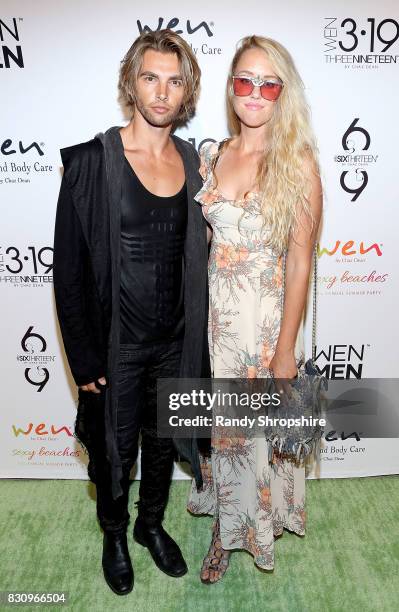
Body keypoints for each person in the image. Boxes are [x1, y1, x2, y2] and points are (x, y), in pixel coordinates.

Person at [53, 30, 209, 596]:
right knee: (114, 449)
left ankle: (150, 526)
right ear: (131, 83)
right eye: (151, 78)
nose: (162, 92)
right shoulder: (92, 162)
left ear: (186, 90)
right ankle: (114, 534)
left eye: (174, 81)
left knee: (165, 443)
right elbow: (67, 271)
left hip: (176, 341)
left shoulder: (194, 162)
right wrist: (84, 355)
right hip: (117, 343)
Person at [188, 35, 323, 583]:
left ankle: (252, 527)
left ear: (282, 93)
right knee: (227, 433)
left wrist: (286, 349)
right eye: (245, 80)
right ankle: (226, 523)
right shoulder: (212, 157)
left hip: (266, 327)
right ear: (230, 88)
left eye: (269, 84)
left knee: (259, 436)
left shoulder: (298, 164)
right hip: (218, 324)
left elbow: (299, 264)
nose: (255, 93)